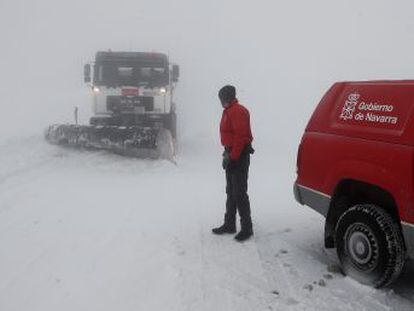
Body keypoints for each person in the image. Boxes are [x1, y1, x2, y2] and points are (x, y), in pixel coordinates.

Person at [212, 85, 254, 242]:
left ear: (228, 97)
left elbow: (241, 137)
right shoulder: (229, 110)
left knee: (239, 193)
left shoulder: (238, 111)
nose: (221, 101)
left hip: (239, 155)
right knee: (230, 191)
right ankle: (229, 224)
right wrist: (227, 155)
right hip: (231, 153)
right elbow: (230, 136)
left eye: (222, 98)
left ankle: (247, 228)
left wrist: (234, 158)